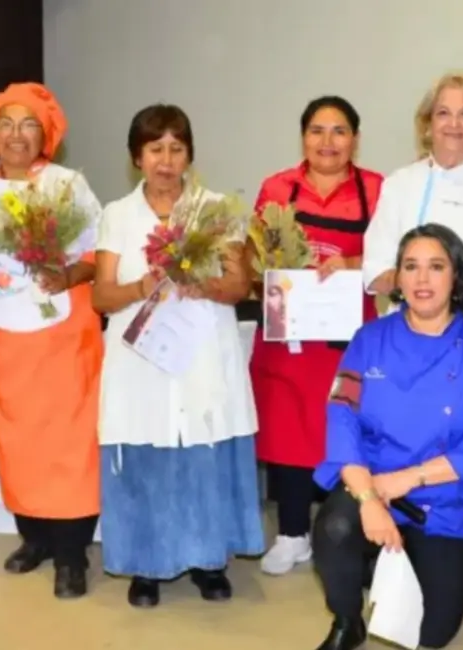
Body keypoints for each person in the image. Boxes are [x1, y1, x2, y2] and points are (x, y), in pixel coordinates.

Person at [310, 223, 463, 650]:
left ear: (456, 276)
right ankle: (348, 619)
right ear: (398, 278)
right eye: (411, 266)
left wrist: (403, 481)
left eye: (436, 267)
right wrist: (369, 499)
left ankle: (426, 574)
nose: (422, 279)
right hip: (373, 485)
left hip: (444, 500)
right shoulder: (369, 339)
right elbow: (341, 417)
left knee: (431, 634)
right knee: (335, 528)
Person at [92, 104, 264, 609]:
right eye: (155, 149)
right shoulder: (117, 214)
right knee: (146, 452)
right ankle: (145, 564)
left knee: (204, 451)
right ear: (136, 158)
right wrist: (142, 285)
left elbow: (239, 285)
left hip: (202, 350)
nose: (166, 161)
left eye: (176, 148)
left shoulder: (215, 208)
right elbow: (101, 296)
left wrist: (200, 283)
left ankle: (210, 562)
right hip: (140, 358)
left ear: (189, 154)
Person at [0, 82, 104, 598]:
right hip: (0, 339)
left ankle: (71, 554)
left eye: (29, 123)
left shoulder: (67, 185)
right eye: (6, 124)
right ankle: (33, 537)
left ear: (47, 134)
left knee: (69, 446)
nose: (17, 134)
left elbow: (99, 254)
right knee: (16, 443)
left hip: (64, 336)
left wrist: (69, 275)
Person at [249, 96, 383, 576]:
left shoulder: (377, 189)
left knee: (345, 429)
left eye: (339, 131)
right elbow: (254, 258)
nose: (328, 142)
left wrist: (352, 263)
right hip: (290, 335)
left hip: (349, 338)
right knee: (287, 428)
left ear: (355, 139)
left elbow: (393, 259)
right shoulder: (276, 188)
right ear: (303, 137)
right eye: (317, 131)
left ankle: (341, 534)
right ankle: (291, 534)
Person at [361, 71, 463, 320]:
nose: (454, 124)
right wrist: (425, 288)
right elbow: (375, 271)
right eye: (443, 113)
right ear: (428, 124)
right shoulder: (400, 183)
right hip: (409, 333)